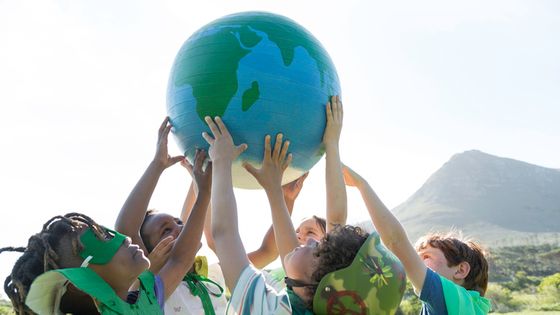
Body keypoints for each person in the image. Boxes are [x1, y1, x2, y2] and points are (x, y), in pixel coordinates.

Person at [203, 96, 405, 314]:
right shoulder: (306, 302)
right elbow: (304, 249)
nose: (309, 241)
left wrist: (221, 162)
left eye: (317, 250)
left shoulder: (270, 310)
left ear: (321, 288)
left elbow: (225, 234)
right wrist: (275, 192)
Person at [341, 164, 492, 314]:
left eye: (426, 256)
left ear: (460, 270)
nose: (415, 261)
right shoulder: (471, 308)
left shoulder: (447, 297)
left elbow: (396, 241)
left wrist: (362, 185)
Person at [114, 117, 227, 315]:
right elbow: (126, 229)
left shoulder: (214, 277)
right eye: (166, 230)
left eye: (179, 222)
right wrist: (157, 165)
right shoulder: (152, 285)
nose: (180, 228)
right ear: (146, 253)